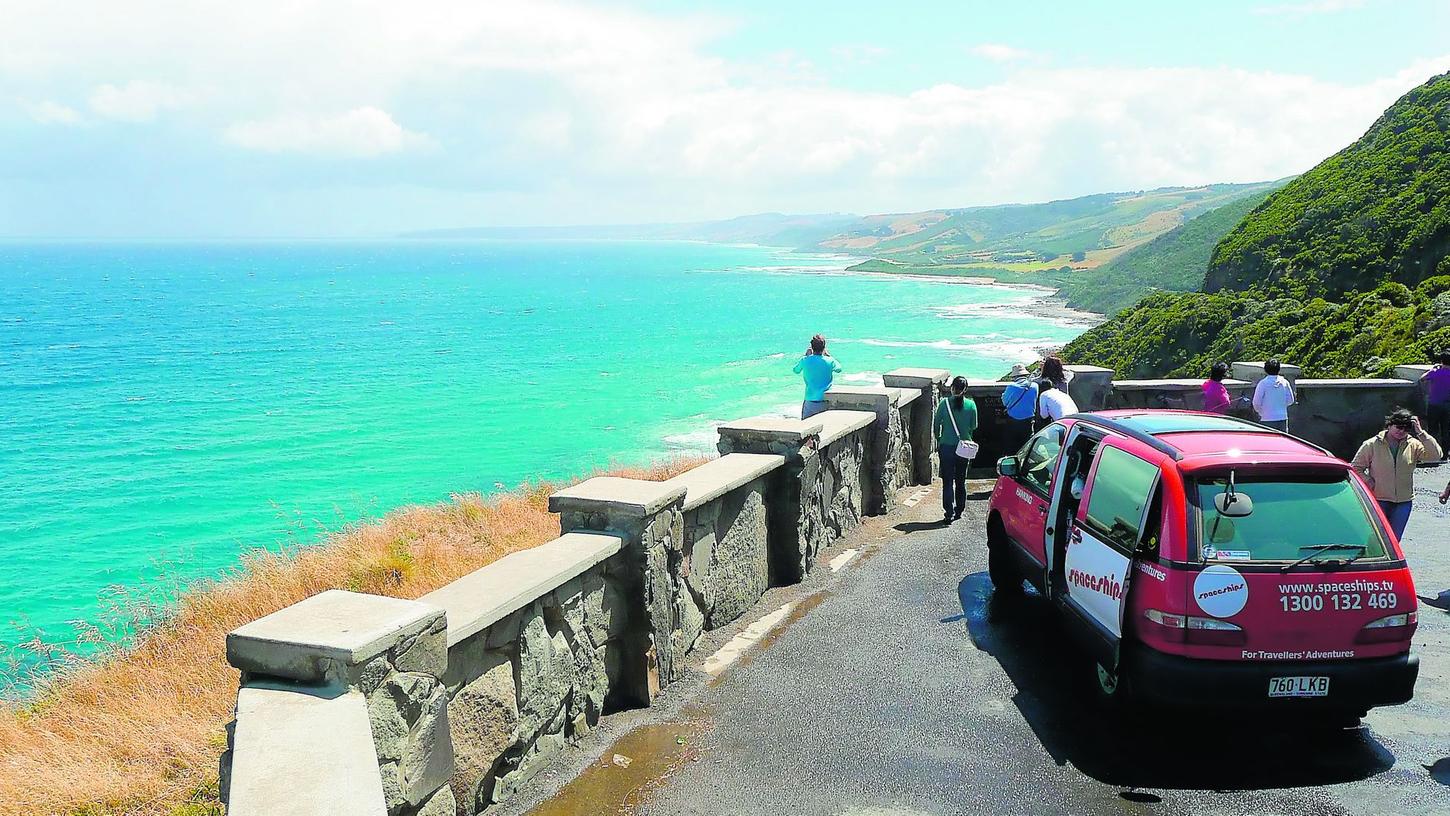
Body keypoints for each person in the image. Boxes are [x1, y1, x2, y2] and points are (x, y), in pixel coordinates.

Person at [1352, 408, 1442, 540]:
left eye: (1406, 428)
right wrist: (1368, 481)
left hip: (1403, 502)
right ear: (1389, 425)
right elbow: (1355, 468)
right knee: (1376, 538)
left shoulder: (1414, 444)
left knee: (1394, 540)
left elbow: (1436, 456)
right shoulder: (1371, 444)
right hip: (1379, 499)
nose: (1401, 431)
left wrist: (1421, 433)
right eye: (1398, 427)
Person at [934, 376, 977, 524]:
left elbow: (936, 425)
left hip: (947, 446)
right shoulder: (971, 405)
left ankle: (948, 512)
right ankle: (959, 510)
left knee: (947, 481)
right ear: (965, 390)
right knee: (960, 480)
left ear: (952, 388)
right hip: (964, 447)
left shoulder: (944, 403)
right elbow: (974, 426)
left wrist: (940, 439)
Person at [792, 334, 841, 419]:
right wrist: (828, 355)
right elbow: (839, 369)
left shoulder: (805, 360)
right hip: (825, 400)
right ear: (824, 347)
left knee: (806, 427)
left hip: (810, 400)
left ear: (811, 347)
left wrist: (805, 356)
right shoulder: (830, 361)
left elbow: (796, 370)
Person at [1001, 363, 1039, 448]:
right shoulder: (1035, 386)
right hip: (1029, 420)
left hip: (1014, 420)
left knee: (1011, 444)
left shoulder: (1011, 387)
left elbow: (1005, 402)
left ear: (1014, 376)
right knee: (1027, 445)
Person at [1252, 358, 1295, 432]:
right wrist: (1281, 407)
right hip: (1282, 418)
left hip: (1266, 418)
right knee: (1282, 441)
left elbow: (1256, 402)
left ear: (1265, 369)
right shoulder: (1284, 382)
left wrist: (1261, 412)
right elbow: (1291, 400)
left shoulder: (1263, 383)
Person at [1421, 352, 1450, 459]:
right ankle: (1445, 454)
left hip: (1434, 404)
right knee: (1446, 430)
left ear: (1441, 361)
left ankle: (1433, 453)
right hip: (1447, 405)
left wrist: (1433, 368)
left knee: (1433, 429)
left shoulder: (1436, 372)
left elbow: (1422, 379)